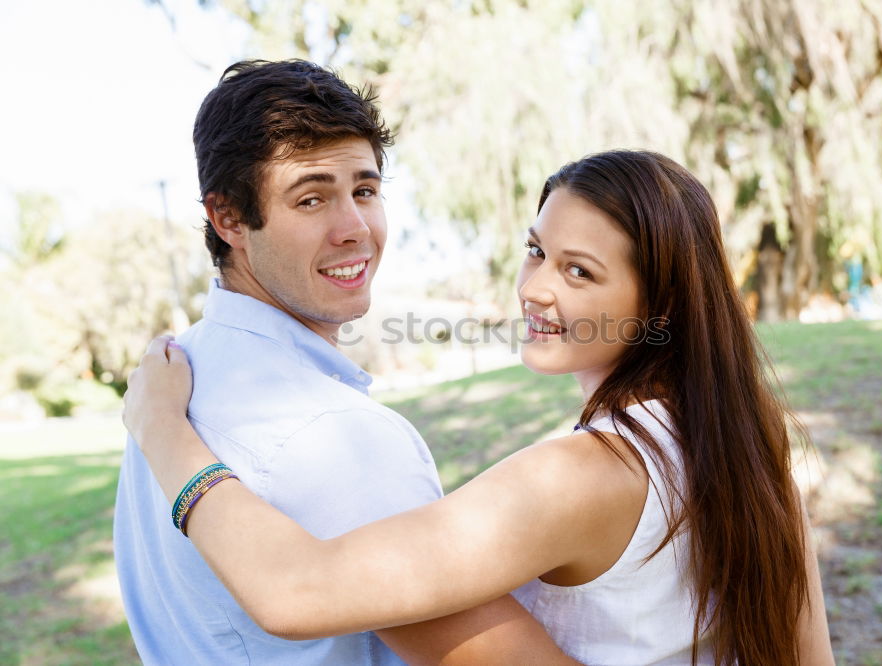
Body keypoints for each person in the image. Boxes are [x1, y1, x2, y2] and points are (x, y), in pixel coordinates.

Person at [124, 150, 836, 665]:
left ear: (662, 305)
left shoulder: (581, 474)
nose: (536, 289)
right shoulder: (744, 431)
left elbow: (292, 592)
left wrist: (162, 431)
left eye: (579, 271)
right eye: (536, 251)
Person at [112, 59, 573, 665]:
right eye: (311, 199)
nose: (355, 228)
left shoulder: (171, 382)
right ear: (227, 218)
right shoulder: (336, 436)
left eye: (365, 190)